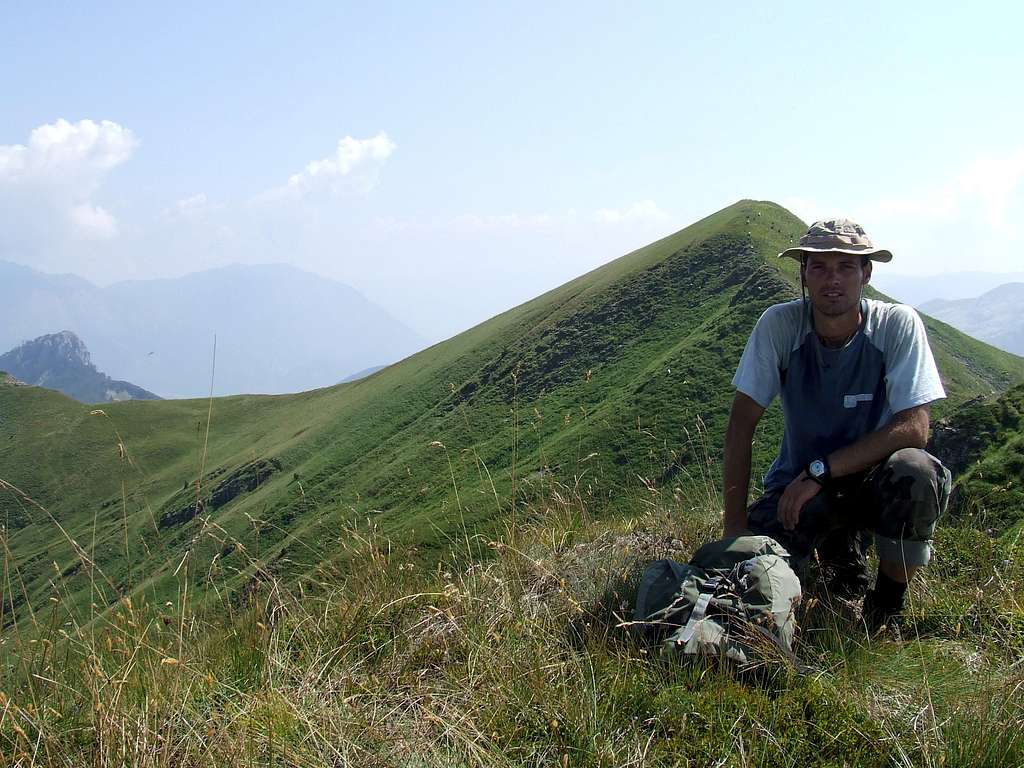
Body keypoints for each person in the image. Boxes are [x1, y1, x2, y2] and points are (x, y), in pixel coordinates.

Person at [721, 218, 951, 630]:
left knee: (915, 470)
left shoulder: (897, 324)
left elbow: (915, 427)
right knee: (749, 571)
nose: (833, 280)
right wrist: (733, 527)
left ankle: (885, 608)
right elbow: (741, 425)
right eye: (820, 267)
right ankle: (836, 549)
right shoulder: (780, 325)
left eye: (846, 267)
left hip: (871, 482)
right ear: (804, 275)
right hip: (798, 489)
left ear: (866, 273)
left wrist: (821, 470)